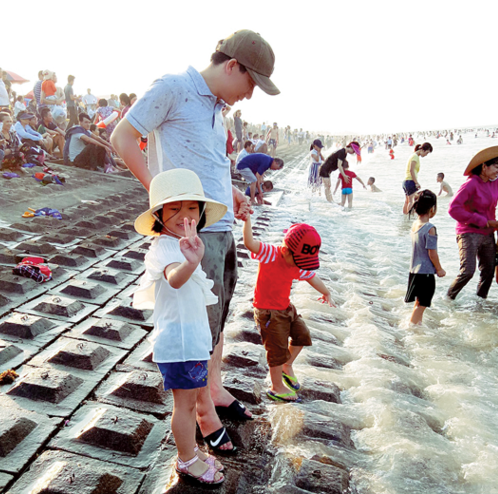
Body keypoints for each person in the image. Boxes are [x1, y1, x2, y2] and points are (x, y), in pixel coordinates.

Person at [111, 29, 280, 451]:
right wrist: (163, 201)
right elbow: (122, 138)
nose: (250, 95)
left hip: (220, 227)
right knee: (198, 324)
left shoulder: (215, 108)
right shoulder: (174, 88)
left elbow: (212, 163)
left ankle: (215, 390)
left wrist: (234, 194)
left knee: (217, 317)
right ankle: (202, 412)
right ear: (232, 66)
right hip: (193, 231)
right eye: (251, 84)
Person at [133, 168, 227, 485]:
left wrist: (192, 255)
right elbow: (174, 279)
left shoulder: (187, 242)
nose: (183, 215)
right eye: (174, 209)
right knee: (184, 407)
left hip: (193, 341)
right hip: (179, 343)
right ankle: (186, 460)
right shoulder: (164, 248)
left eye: (191, 207)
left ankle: (193, 450)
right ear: (159, 215)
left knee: (191, 399)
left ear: (200, 213)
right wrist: (190, 262)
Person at [242, 217, 334, 402]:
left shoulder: (298, 263)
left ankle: (287, 365)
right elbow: (250, 243)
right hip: (267, 312)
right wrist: (247, 220)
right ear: (285, 250)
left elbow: (311, 277)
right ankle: (276, 387)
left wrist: (326, 292)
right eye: (299, 260)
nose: (301, 265)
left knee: (302, 335)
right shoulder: (270, 253)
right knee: (276, 350)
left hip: (285, 307)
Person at [447, 147, 498, 300]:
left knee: (489, 272)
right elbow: (453, 209)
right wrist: (484, 222)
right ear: (484, 166)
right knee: (468, 271)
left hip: (488, 233)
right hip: (468, 232)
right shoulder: (471, 184)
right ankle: (448, 299)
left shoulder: (497, 181)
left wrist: (492, 225)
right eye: (496, 166)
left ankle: (480, 304)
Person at [405, 190, 446, 324]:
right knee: (422, 305)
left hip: (414, 271)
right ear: (432, 208)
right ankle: (413, 329)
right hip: (426, 273)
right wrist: (439, 269)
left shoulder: (415, 225)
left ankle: (416, 326)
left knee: (418, 303)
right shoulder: (429, 228)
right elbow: (432, 253)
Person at [402, 142, 433, 214]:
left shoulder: (413, 156)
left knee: (407, 201)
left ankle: (405, 219)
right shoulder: (415, 156)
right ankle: (410, 219)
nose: (426, 155)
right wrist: (416, 182)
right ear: (423, 150)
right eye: (427, 153)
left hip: (406, 181)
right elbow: (411, 170)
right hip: (410, 181)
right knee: (411, 201)